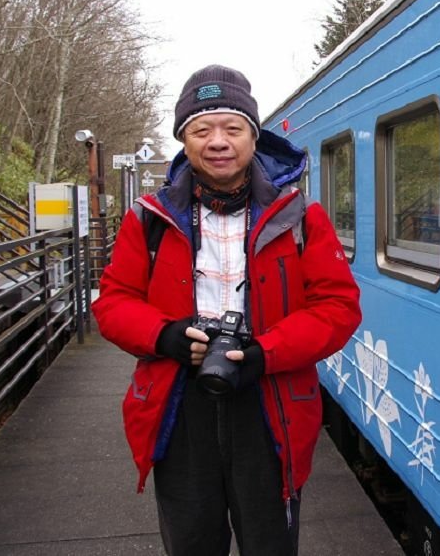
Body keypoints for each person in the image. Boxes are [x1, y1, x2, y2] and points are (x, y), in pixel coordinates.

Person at [93, 64, 362, 556]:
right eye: (202, 129)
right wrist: (164, 336)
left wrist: (265, 352)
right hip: (180, 405)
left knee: (270, 544)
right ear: (184, 140)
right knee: (191, 543)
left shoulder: (300, 216)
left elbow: (339, 307)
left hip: (269, 403)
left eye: (232, 128)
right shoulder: (148, 219)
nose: (218, 141)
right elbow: (112, 301)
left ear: (253, 138)